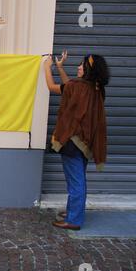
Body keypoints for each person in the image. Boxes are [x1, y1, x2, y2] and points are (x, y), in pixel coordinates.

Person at [44, 51, 110, 230]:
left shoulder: (78, 87)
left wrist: (46, 67)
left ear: (89, 69)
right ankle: (74, 210)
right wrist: (59, 67)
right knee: (78, 179)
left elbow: (52, 87)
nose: (79, 67)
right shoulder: (95, 88)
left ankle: (73, 220)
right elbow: (69, 86)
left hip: (72, 141)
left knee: (75, 182)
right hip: (85, 141)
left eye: (82, 65)